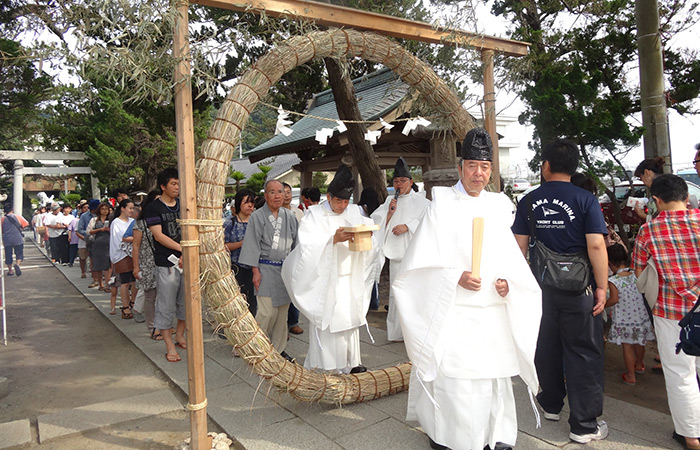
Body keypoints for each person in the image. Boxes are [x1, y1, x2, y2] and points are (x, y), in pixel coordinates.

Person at [393, 129, 542, 450]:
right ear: (461, 168)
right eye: (472, 165)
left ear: (491, 170)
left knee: (494, 374)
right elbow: (421, 261)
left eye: (485, 167)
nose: (478, 173)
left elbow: (509, 255)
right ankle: (450, 436)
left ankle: (497, 433)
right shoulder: (442, 204)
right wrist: (455, 275)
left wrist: (508, 281)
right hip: (455, 306)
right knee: (458, 376)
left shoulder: (500, 204)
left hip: (492, 306)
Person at [512, 138, 609, 444]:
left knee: (547, 347)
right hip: (579, 289)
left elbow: (519, 248)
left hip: (541, 290)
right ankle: (583, 425)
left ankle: (550, 404)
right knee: (583, 352)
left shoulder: (528, 201)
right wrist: (603, 287)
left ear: (546, 166)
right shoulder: (585, 200)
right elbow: (596, 244)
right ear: (573, 167)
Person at [282, 164, 377, 374]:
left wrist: (368, 236)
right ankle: (327, 365)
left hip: (350, 275)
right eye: (338, 201)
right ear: (328, 196)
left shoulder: (354, 211)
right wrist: (332, 239)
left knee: (350, 318)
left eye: (346, 201)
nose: (342, 206)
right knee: (330, 319)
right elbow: (306, 246)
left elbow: (370, 233)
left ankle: (351, 363)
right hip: (326, 278)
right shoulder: (314, 215)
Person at [632, 174, 700, 450]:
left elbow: (639, 270)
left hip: (670, 311)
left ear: (657, 201)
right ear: (687, 197)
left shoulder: (649, 231)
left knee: (679, 373)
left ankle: (691, 435)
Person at [371, 157, 430, 341]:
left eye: (402, 181)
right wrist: (389, 213)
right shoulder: (390, 200)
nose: (399, 184)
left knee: (414, 294)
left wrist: (409, 226)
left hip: (414, 257)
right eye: (396, 181)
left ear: (410, 182)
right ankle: (397, 333)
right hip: (396, 257)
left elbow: (428, 222)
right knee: (397, 295)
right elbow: (376, 220)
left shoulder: (423, 202)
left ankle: (415, 334)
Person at [239, 180, 298, 361]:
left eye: (280, 192)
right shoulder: (257, 216)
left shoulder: (290, 216)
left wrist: (296, 269)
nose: (278, 195)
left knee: (282, 312)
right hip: (265, 267)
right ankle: (256, 346)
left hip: (285, 268)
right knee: (266, 312)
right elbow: (252, 244)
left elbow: (297, 244)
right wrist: (255, 271)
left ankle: (278, 350)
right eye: (272, 192)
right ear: (265, 196)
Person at [144, 168, 186, 363]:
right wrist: (183, 250)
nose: (177, 187)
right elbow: (159, 236)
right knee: (166, 305)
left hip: (187, 261)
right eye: (173, 184)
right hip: (166, 263)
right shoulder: (153, 207)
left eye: (179, 183)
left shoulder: (184, 204)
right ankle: (169, 345)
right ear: (163, 186)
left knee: (186, 302)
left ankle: (179, 335)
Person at [605, 243, 655, 386]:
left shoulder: (614, 280)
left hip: (624, 320)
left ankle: (631, 375)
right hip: (640, 318)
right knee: (640, 342)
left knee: (627, 347)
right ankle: (639, 365)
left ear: (609, 262)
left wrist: (602, 304)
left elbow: (614, 299)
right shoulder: (636, 274)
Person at [223, 189, 257, 316]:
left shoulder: (256, 222)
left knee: (253, 300)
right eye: (246, 203)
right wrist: (243, 243)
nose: (250, 206)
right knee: (237, 298)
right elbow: (223, 246)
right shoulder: (230, 223)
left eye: (252, 203)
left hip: (254, 267)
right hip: (236, 267)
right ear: (238, 204)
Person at [132, 191, 159, 337]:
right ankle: (152, 327)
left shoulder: (164, 220)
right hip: (147, 263)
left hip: (163, 261)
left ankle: (163, 326)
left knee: (164, 297)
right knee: (150, 297)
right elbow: (135, 246)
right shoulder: (140, 223)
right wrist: (136, 267)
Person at [282, 182, 304, 335]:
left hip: (296, 253)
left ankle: (293, 322)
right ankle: (281, 325)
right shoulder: (272, 213)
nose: (287, 195)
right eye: (284, 192)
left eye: (289, 192)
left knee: (294, 288)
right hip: (279, 256)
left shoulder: (298, 212)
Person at [110, 198, 136, 320]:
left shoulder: (133, 221)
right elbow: (119, 240)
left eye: (133, 208)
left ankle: (133, 302)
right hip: (122, 255)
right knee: (125, 282)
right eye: (129, 208)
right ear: (122, 208)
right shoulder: (116, 223)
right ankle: (125, 307)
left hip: (134, 254)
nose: (131, 211)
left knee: (135, 281)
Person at [87, 203, 113, 295]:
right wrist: (100, 229)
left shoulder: (111, 220)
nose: (105, 211)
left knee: (108, 264)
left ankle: (107, 284)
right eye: (103, 209)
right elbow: (89, 231)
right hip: (97, 244)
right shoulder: (94, 220)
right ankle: (100, 284)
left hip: (109, 243)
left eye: (106, 209)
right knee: (98, 264)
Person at [633, 156, 664, 221]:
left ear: (647, 173)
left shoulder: (658, 191)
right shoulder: (668, 186)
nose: (643, 182)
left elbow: (660, 219)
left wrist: (642, 215)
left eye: (641, 178)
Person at [79, 200, 101, 287]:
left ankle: (101, 278)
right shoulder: (84, 216)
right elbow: (80, 229)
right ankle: (95, 279)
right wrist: (89, 233)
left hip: (102, 240)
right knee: (92, 260)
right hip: (91, 240)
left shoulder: (102, 216)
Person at [2, 203, 28, 276]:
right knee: (19, 253)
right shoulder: (17, 217)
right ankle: (17, 264)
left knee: (8, 255)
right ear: (12, 210)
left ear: (4, 211)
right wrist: (20, 228)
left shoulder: (2, 219)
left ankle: (10, 271)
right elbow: (26, 224)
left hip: (7, 239)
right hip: (18, 238)